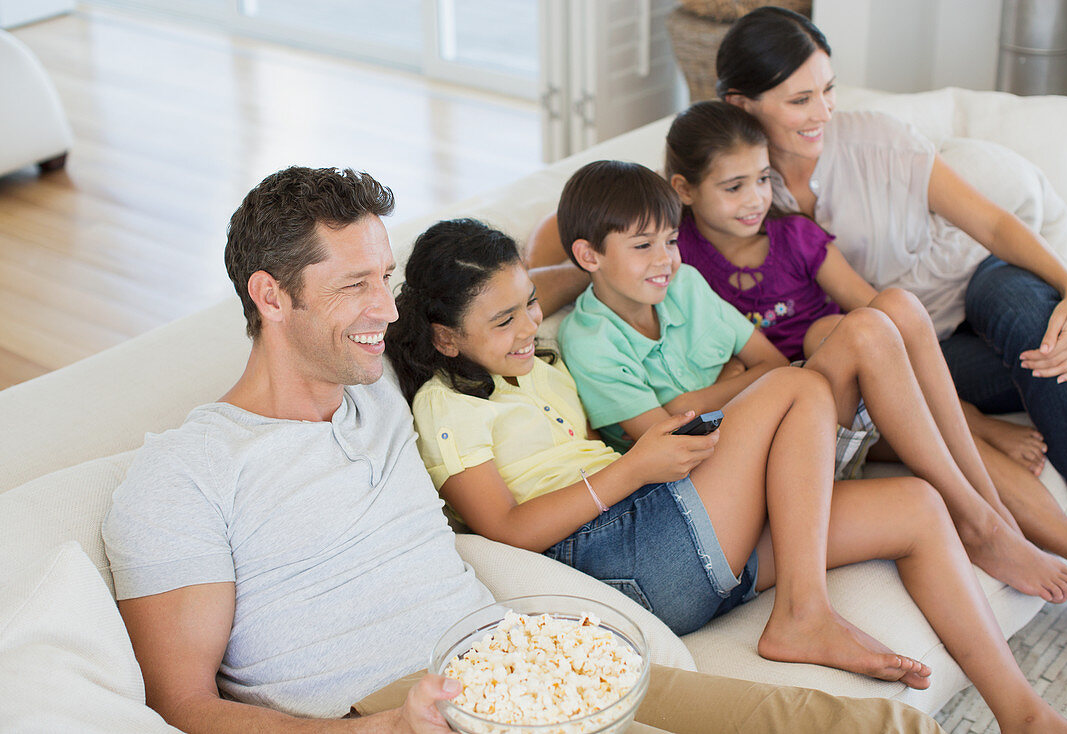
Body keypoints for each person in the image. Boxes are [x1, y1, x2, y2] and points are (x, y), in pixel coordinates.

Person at [100, 165, 944, 734]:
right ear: (268, 295)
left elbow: (520, 286)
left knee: (836, 722)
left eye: (385, 280)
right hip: (393, 705)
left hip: (527, 646)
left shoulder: (383, 386)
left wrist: (595, 236)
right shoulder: (184, 473)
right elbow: (183, 704)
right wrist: (385, 729)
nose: (383, 310)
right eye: (353, 285)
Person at [388, 214, 1067, 734]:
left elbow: (565, 268)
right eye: (503, 319)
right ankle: (803, 614)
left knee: (913, 504)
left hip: (665, 521)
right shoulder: (444, 406)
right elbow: (504, 529)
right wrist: (634, 470)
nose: (525, 326)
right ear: (446, 337)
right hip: (618, 557)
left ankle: (1023, 714)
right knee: (798, 388)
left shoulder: (536, 362)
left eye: (529, 307)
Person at [662, 98, 1067, 587]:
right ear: (684, 189)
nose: (755, 199)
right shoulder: (675, 257)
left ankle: (1059, 542)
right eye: (733, 186)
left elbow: (880, 314)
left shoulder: (795, 237)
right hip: (801, 415)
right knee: (827, 334)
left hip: (861, 388)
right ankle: (983, 500)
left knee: (886, 311)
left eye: (764, 179)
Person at [712, 6, 1067, 536]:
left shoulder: (878, 138)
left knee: (1033, 323)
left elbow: (991, 224)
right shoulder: (733, 186)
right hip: (923, 349)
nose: (823, 112)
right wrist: (562, 274)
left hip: (976, 284)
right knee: (1048, 353)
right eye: (800, 100)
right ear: (741, 105)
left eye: (828, 89)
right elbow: (605, 222)